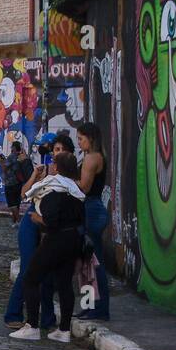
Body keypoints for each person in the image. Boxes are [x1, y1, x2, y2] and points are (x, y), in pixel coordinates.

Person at [10, 153, 86, 343]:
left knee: (30, 279)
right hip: (73, 239)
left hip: (56, 239)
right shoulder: (75, 190)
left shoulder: (53, 188)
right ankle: (64, 330)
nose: (50, 165)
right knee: (64, 284)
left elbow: (50, 220)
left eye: (54, 163)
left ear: (58, 168)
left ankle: (32, 326)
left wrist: (37, 219)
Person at [3, 136, 69, 329]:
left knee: (48, 274)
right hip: (32, 222)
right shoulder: (45, 171)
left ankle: (47, 318)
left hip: (53, 226)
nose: (57, 154)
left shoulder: (72, 175)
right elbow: (24, 193)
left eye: (61, 150)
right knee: (28, 269)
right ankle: (13, 313)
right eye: (55, 150)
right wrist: (34, 175)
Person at [75, 122, 110, 321]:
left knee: (94, 262)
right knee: (87, 263)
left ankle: (100, 307)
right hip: (90, 208)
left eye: (81, 138)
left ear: (91, 138)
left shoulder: (91, 158)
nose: (79, 142)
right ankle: (90, 305)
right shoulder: (95, 156)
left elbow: (85, 187)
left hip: (91, 209)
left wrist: (66, 179)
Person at [1, 142, 34, 224]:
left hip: (10, 183)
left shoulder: (11, 156)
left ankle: (19, 221)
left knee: (12, 204)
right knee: (16, 203)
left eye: (12, 147)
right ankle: (14, 221)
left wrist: (1, 161)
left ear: (14, 148)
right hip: (18, 183)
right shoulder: (21, 156)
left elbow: (4, 168)